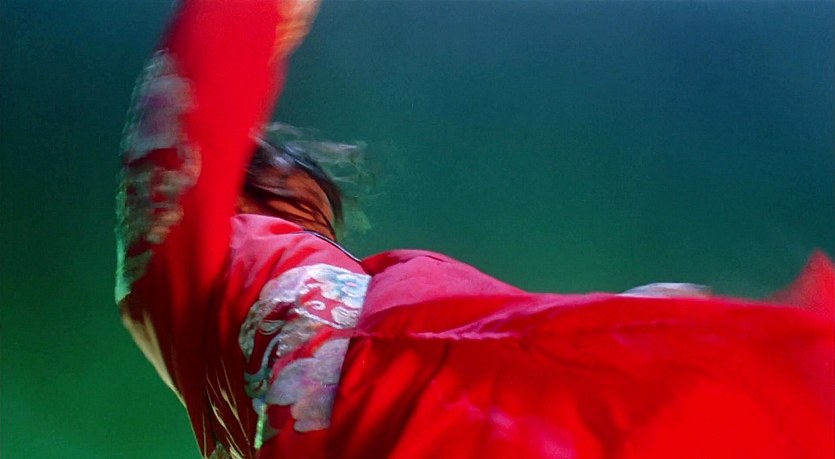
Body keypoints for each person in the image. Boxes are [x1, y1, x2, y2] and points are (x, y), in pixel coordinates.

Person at [117, 1, 834, 458]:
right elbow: (188, 108)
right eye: (288, 181)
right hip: (413, 405)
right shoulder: (190, 265)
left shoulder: (262, 318)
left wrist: (637, 330)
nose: (314, 210)